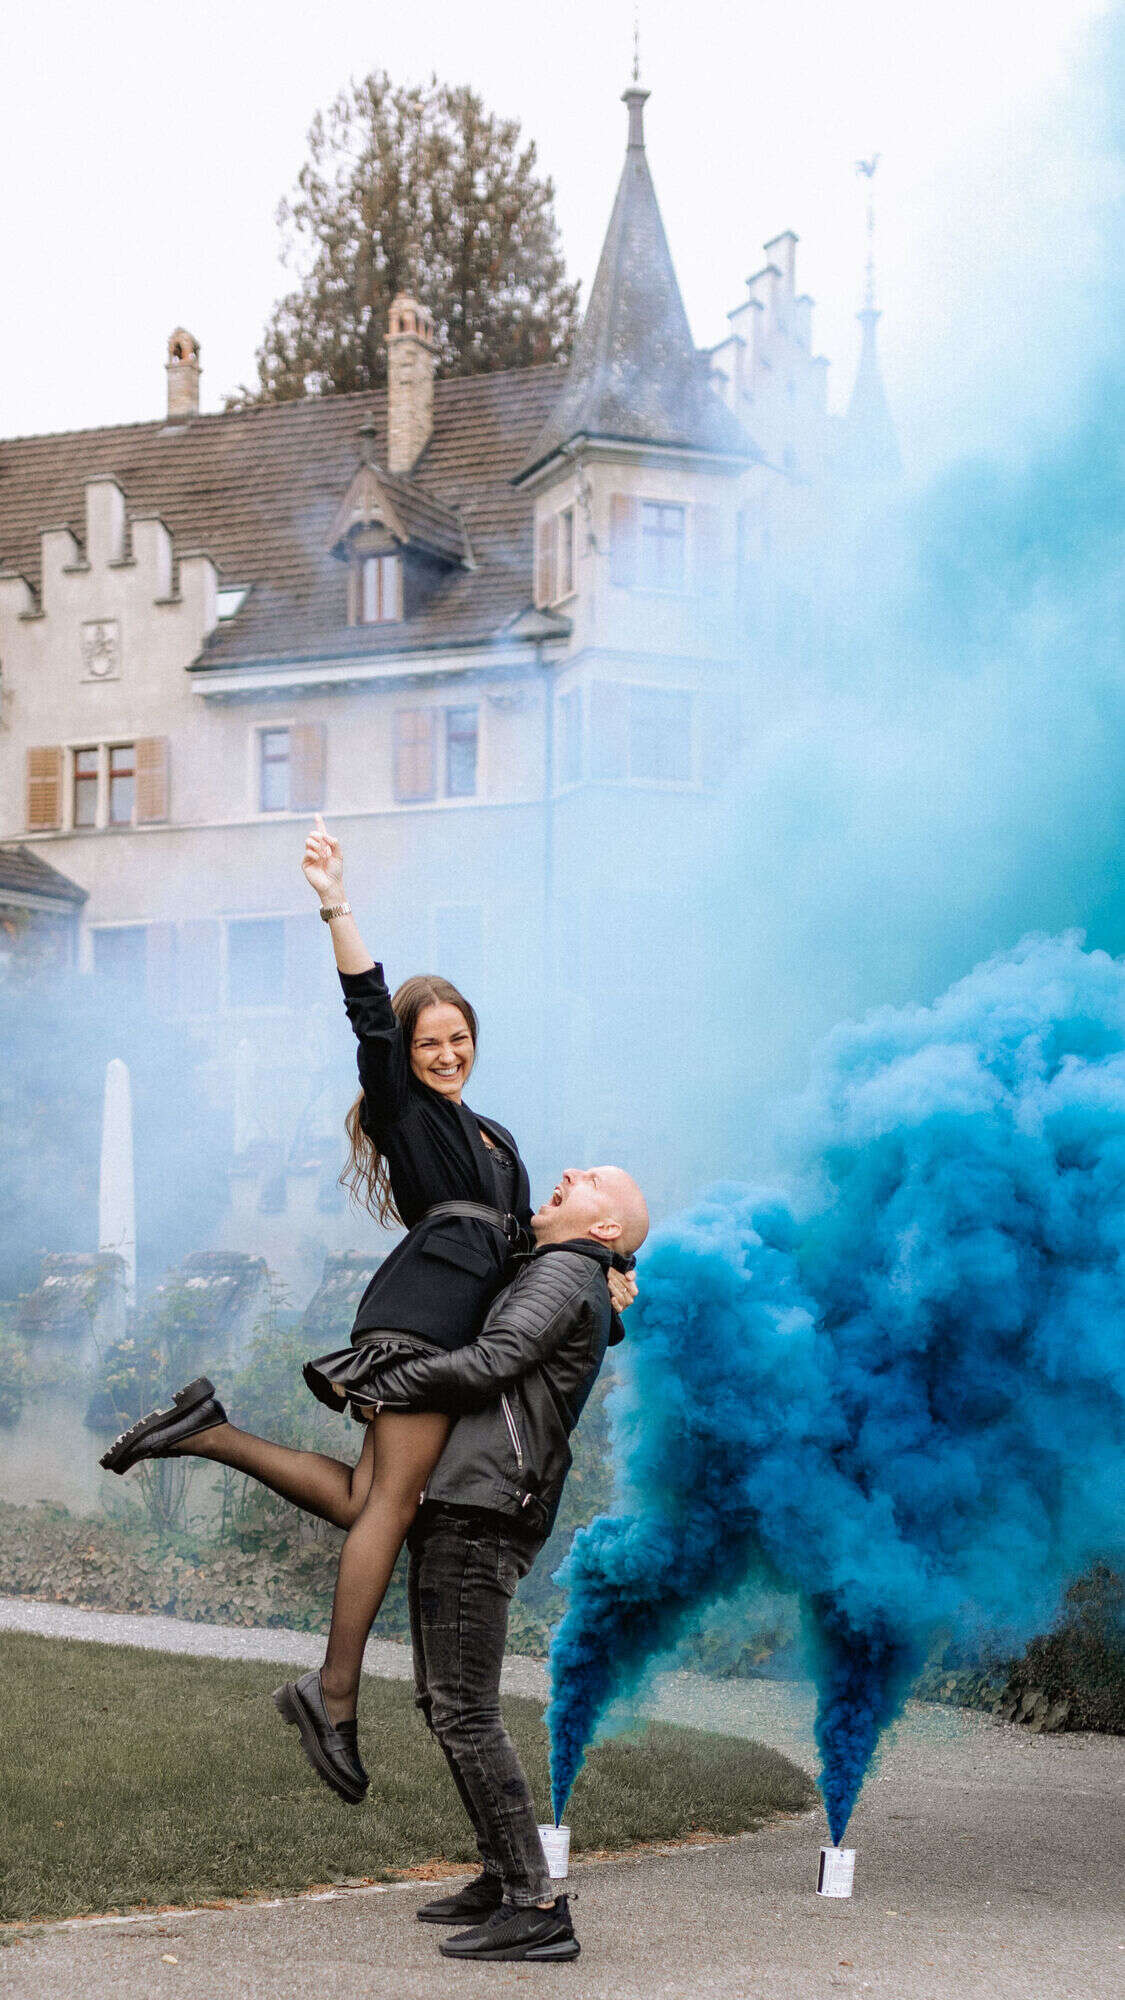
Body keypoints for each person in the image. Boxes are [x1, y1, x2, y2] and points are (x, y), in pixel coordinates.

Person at [101, 816, 635, 1806]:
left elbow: (533, 1255)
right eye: (430, 1041)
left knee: (365, 1497)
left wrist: (608, 1271)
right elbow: (369, 1019)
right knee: (391, 1506)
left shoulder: (497, 1138)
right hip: (421, 1319)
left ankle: (208, 1431)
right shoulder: (407, 1112)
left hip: (448, 1322)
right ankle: (332, 1693)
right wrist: (336, 903)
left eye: (458, 1038)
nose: (445, 1053)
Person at [305, 1159, 649, 1965]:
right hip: (474, 1498)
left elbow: (491, 1361)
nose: (568, 1170)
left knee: (463, 1708)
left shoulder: (565, 1271)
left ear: (603, 1228)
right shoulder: (569, 1271)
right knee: (445, 1701)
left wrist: (377, 1381)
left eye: (592, 1179)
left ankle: (536, 1906)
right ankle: (503, 1877)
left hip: (482, 1506)